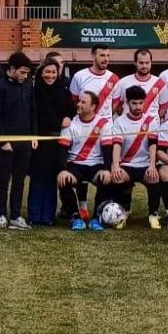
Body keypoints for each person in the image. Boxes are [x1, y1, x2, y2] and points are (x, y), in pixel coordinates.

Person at [0, 52, 36, 228]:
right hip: (5, 142)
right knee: (2, 179)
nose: (25, 76)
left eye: (27, 73)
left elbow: (32, 111)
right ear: (12, 69)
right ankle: (0, 213)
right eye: (22, 72)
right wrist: (2, 140)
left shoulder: (28, 85)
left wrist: (33, 136)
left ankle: (16, 215)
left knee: (19, 180)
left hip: (24, 141)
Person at [56, 90, 117, 231]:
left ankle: (97, 217)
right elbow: (62, 150)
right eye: (78, 101)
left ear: (93, 106)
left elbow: (108, 149)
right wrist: (63, 170)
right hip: (75, 165)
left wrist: (107, 170)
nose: (79, 104)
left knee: (106, 179)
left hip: (96, 165)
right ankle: (75, 217)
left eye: (83, 102)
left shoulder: (104, 123)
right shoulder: (70, 123)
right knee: (63, 180)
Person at [106, 85, 163, 229]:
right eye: (134, 103)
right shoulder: (119, 122)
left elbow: (153, 145)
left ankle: (153, 214)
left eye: (141, 103)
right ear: (127, 103)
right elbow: (117, 145)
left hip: (145, 164)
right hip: (127, 164)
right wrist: (116, 166)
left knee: (154, 177)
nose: (138, 106)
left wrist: (152, 165)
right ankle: (123, 212)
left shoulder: (151, 121)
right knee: (117, 177)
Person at [28, 58, 72, 227]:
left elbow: (70, 109)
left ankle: (48, 216)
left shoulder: (63, 90)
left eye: (54, 72)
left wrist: (68, 116)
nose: (50, 75)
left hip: (57, 141)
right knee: (37, 178)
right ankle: (34, 214)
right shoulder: (34, 91)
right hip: (39, 141)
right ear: (41, 72)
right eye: (47, 72)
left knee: (52, 179)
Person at [109, 48, 159, 115]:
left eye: (147, 63)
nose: (144, 66)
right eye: (141, 63)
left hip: (151, 125)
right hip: (126, 125)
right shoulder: (123, 82)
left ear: (151, 62)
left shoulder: (159, 83)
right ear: (135, 63)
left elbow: (163, 109)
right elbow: (118, 107)